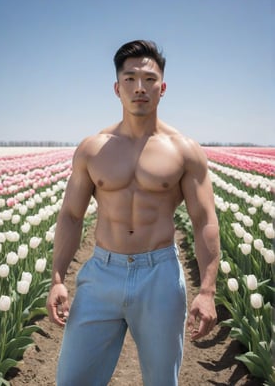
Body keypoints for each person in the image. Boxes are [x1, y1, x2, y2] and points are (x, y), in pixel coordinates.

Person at [46, 39, 220, 386]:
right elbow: (71, 216)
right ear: (117, 87)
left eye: (149, 79)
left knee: (160, 380)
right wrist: (57, 279)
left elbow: (204, 221)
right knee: (72, 380)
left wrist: (207, 290)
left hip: (159, 276)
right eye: (130, 79)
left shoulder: (184, 151)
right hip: (101, 274)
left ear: (163, 87)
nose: (140, 87)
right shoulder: (93, 149)